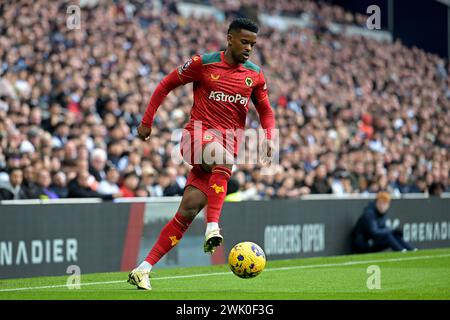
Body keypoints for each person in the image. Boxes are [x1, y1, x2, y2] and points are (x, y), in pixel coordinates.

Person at [128, 18, 276, 290]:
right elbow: (165, 85)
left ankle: (143, 269)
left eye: (253, 44)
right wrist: (147, 121)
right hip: (194, 138)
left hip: (219, 153)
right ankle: (213, 227)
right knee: (224, 159)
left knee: (187, 210)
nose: (249, 48)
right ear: (229, 38)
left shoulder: (254, 75)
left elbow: (265, 110)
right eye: (244, 42)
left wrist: (269, 137)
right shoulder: (203, 63)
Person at [351, 191, 416, 253]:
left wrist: (393, 232)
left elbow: (383, 229)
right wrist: (392, 231)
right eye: (381, 203)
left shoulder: (381, 214)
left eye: (385, 204)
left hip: (372, 241)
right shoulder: (369, 213)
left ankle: (411, 250)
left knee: (395, 235)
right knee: (388, 235)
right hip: (362, 244)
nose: (383, 206)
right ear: (376, 202)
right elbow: (374, 232)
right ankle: (401, 251)